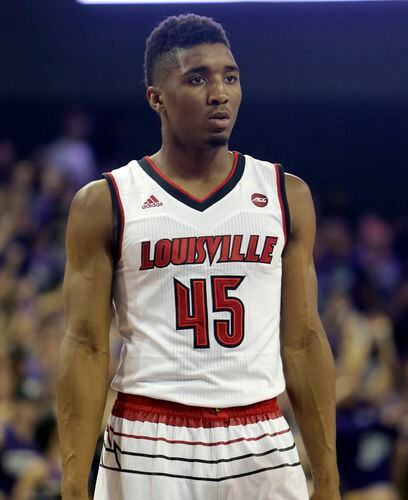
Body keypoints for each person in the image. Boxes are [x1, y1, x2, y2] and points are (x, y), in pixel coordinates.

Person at [56, 14, 340, 500]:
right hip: (148, 434)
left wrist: (328, 477)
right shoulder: (105, 201)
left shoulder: (284, 194)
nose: (220, 92)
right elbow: (85, 345)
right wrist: (72, 484)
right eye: (197, 78)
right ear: (156, 98)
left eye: (230, 76)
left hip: (261, 434)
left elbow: (303, 340)